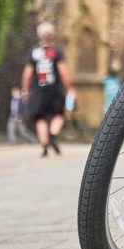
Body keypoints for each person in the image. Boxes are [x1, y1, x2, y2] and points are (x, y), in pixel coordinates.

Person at [21, 22, 74, 157]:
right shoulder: (56, 52)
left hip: (38, 90)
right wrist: (69, 89)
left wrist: (25, 90)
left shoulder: (34, 52)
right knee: (59, 114)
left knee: (40, 117)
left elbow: (27, 74)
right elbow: (63, 72)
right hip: (54, 90)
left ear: (40, 36)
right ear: (52, 36)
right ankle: (53, 134)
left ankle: (44, 144)